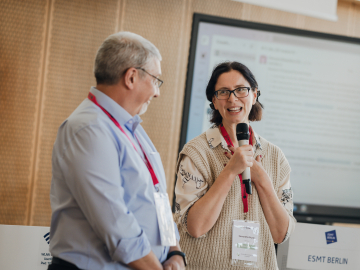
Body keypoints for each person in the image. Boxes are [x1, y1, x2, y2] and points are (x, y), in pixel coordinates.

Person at [48, 32, 186, 270]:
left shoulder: (132, 128)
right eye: (155, 80)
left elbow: (158, 198)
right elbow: (116, 225)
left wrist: (174, 252)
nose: (157, 92)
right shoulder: (88, 129)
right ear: (131, 77)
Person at [174, 61, 296, 269]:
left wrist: (261, 179)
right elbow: (195, 227)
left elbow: (280, 234)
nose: (232, 99)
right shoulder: (196, 152)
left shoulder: (275, 156)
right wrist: (230, 171)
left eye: (241, 90)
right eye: (223, 92)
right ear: (213, 100)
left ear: (254, 94)